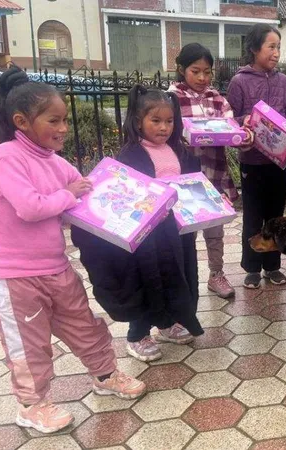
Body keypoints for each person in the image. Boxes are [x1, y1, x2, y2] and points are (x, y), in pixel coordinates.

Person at [0, 66, 145, 434]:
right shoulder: (6, 156)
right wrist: (69, 195)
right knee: (29, 345)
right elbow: (31, 206)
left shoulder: (53, 160)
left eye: (65, 119)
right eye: (54, 120)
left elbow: (87, 187)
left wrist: (133, 200)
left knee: (85, 325)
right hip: (14, 276)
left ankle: (104, 375)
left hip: (55, 266)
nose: (64, 127)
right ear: (22, 121)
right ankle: (31, 405)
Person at [71, 85, 205, 362]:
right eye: (155, 121)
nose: (163, 127)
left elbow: (191, 182)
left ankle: (168, 323)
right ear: (138, 122)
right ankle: (138, 334)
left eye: (169, 121)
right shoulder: (131, 154)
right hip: (145, 237)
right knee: (147, 281)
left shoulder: (177, 150)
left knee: (175, 276)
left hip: (175, 232)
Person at [168, 43, 253, 299]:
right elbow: (164, 133)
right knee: (185, 231)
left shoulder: (217, 99)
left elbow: (232, 131)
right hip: (184, 179)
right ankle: (184, 276)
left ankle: (216, 275)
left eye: (207, 72)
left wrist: (244, 135)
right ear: (182, 69)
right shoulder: (171, 98)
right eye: (196, 71)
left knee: (215, 231)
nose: (203, 78)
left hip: (214, 174)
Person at [227, 24, 286, 289]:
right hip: (252, 162)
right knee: (253, 216)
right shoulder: (239, 82)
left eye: (278, 47)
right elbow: (229, 119)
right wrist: (244, 121)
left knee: (276, 216)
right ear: (255, 49)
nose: (276, 52)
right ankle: (252, 267)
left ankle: (273, 266)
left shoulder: (284, 83)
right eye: (271, 46)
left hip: (279, 162)